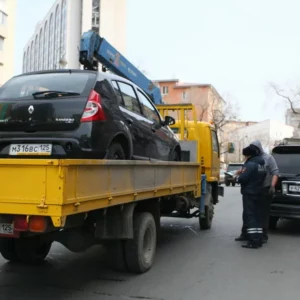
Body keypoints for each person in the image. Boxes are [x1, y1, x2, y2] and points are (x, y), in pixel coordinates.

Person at [235, 140, 279, 243]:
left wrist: (272, 186)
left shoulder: (268, 158)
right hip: (253, 189)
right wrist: (240, 172)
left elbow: (275, 172)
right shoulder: (251, 159)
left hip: (264, 189)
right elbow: (246, 171)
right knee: (248, 214)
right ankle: (246, 234)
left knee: (261, 214)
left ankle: (262, 235)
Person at [236, 145, 267, 248]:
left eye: (245, 155)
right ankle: (258, 239)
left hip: (250, 193)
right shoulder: (261, 164)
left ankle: (253, 241)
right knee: (257, 216)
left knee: (250, 216)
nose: (245, 157)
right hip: (259, 192)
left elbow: (242, 179)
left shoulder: (250, 164)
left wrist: (238, 175)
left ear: (249, 155)